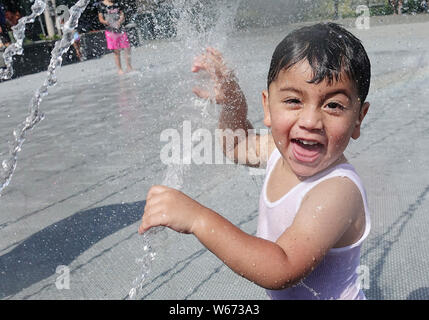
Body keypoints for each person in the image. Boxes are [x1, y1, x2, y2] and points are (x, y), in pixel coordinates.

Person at [138, 22, 372, 300]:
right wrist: (233, 101)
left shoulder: (337, 191)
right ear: (268, 106)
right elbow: (237, 144)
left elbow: (281, 268)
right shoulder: (276, 150)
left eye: (333, 105)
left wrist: (197, 219)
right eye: (294, 101)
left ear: (358, 119)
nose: (310, 121)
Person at [98, 0, 133, 75]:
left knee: (127, 48)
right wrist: (106, 22)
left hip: (120, 29)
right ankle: (120, 69)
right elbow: (100, 19)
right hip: (110, 31)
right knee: (116, 51)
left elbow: (122, 14)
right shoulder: (101, 5)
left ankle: (129, 66)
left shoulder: (117, 3)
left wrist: (120, 21)